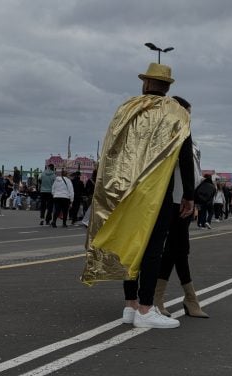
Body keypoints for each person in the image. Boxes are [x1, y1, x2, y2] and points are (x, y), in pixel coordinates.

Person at [81, 62, 191, 329]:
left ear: (145, 83)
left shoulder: (127, 108)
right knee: (153, 249)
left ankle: (130, 305)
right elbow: (184, 154)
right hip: (156, 192)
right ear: (167, 87)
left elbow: (110, 149)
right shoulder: (176, 112)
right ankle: (145, 308)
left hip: (125, 191)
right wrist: (189, 194)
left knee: (130, 244)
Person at [153, 95, 208, 319]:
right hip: (172, 200)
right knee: (178, 250)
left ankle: (162, 297)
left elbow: (192, 173)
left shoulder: (191, 142)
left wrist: (194, 198)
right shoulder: (170, 136)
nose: (189, 118)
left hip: (186, 201)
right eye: (186, 113)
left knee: (176, 251)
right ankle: (188, 298)